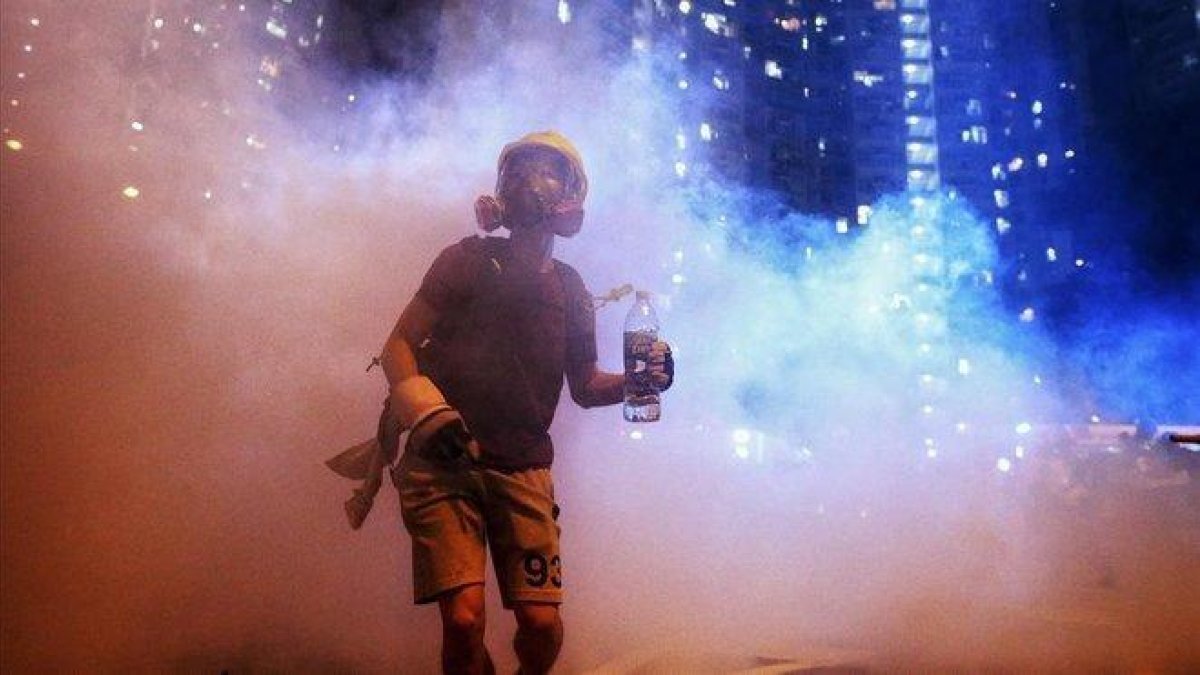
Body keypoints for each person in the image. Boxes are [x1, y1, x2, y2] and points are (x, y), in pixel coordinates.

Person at [378, 131, 673, 675]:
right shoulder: (464, 261)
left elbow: (585, 385)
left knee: (540, 627)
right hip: (445, 462)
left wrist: (642, 382)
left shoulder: (570, 289)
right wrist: (425, 411)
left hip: (522, 467)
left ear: (571, 196)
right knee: (463, 621)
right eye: (519, 169)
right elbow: (398, 345)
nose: (529, 181)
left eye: (547, 170)